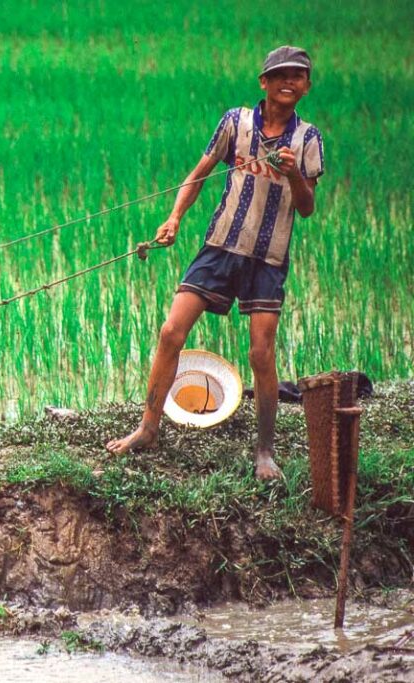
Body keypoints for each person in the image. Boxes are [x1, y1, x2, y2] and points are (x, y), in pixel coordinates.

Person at [104, 46, 324, 480]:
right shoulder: (235, 123)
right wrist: (174, 218)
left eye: (297, 76)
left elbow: (306, 208)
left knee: (261, 353)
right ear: (263, 81)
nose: (288, 81)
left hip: (268, 258)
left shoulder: (308, 139)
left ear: (306, 87)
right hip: (221, 246)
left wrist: (295, 174)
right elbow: (199, 172)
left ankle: (264, 452)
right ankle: (148, 428)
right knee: (171, 331)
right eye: (280, 74)